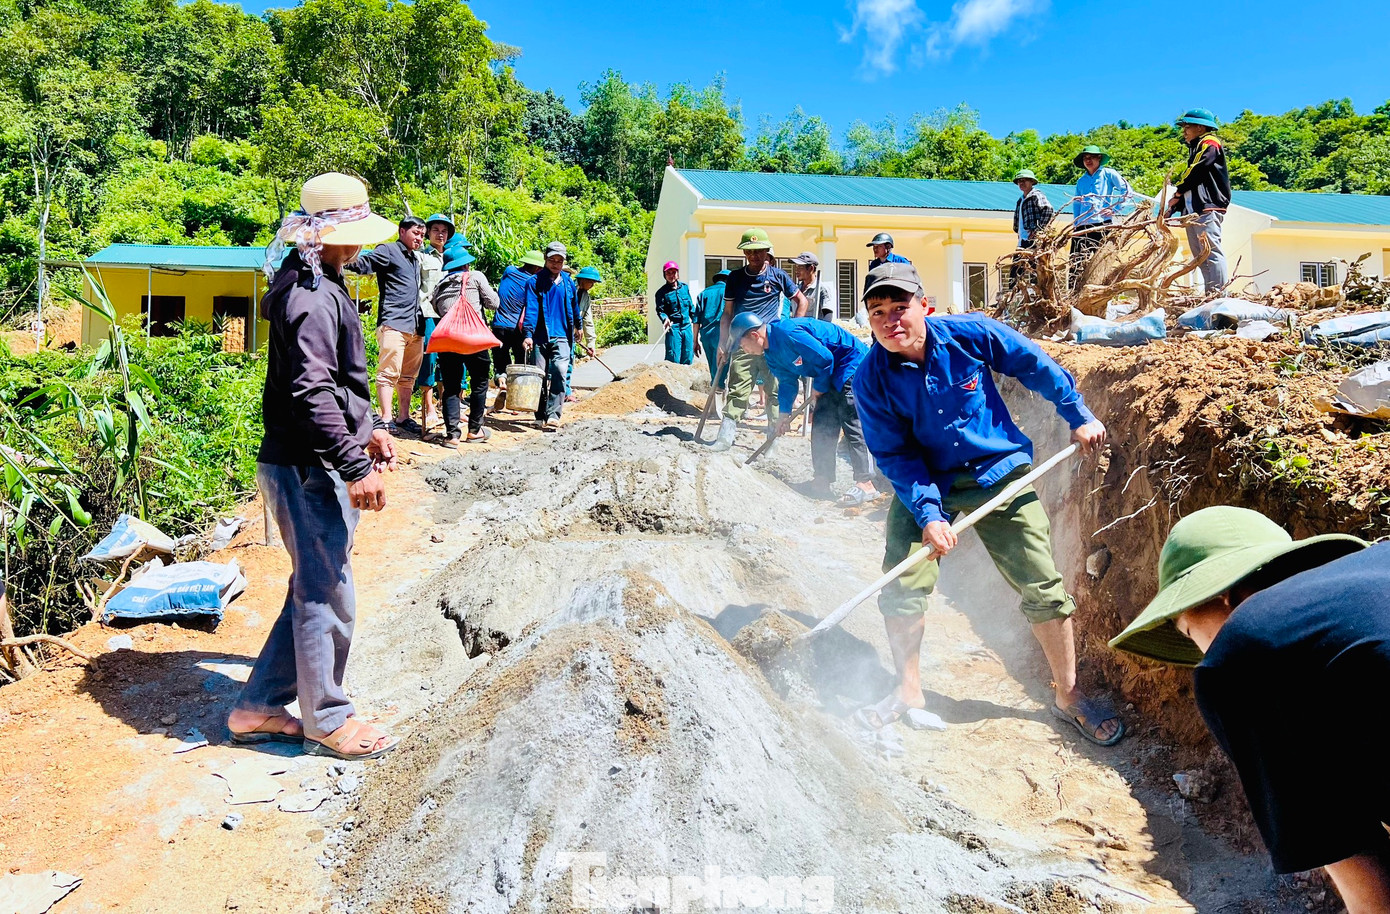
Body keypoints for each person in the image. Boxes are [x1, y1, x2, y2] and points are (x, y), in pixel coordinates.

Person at [852, 261, 1121, 745]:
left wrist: (1077, 414)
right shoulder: (870, 380)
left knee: (1042, 582)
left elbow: (1033, 364)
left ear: (924, 306)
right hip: (926, 481)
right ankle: (908, 688)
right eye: (877, 313)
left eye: (899, 307)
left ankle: (1069, 695)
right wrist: (929, 515)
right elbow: (895, 455)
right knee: (902, 582)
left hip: (997, 471)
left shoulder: (971, 333)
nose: (890, 320)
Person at [1109, 507, 1384, 910]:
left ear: (1228, 596)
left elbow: (1376, 897)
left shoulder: (1245, 654)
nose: (1202, 654)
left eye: (1189, 632)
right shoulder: (1378, 565)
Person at [229, 172, 400, 761]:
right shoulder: (311, 295)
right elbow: (311, 392)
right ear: (329, 236)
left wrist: (368, 428)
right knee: (328, 592)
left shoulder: (316, 280)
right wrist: (353, 465)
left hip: (307, 458)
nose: (362, 245)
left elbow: (335, 381)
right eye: (356, 233)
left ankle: (257, 707)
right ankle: (327, 720)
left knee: (314, 584)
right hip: (308, 467)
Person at [730, 313, 877, 505]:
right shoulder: (771, 355)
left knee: (851, 420)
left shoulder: (788, 333)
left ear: (754, 335)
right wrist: (784, 415)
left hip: (851, 364)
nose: (744, 350)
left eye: (742, 345)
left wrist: (819, 386)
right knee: (822, 423)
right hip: (829, 372)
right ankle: (821, 481)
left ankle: (866, 484)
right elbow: (787, 382)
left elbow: (826, 358)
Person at [707, 228, 809, 453]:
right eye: (749, 251)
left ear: (766, 251)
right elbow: (727, 313)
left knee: (775, 392)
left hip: (772, 343)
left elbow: (802, 301)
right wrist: (723, 343)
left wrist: (793, 330)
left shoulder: (778, 276)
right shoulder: (735, 278)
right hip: (743, 342)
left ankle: (773, 439)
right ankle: (725, 437)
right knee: (737, 389)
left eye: (758, 251)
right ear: (744, 253)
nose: (754, 256)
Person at [348, 215, 426, 435]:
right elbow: (364, 264)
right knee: (388, 373)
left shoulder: (414, 258)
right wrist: (343, 254)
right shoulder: (388, 250)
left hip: (415, 325)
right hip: (394, 323)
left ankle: (403, 417)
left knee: (408, 377)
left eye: (422, 235)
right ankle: (385, 418)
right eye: (415, 233)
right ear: (402, 231)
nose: (419, 238)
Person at [432, 241, 499, 447]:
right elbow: (494, 303)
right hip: (474, 339)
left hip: (448, 340)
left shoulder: (440, 285)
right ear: (466, 264)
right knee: (479, 383)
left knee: (451, 387)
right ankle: (474, 431)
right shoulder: (475, 277)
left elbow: (436, 308)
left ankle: (452, 435)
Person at [1168, 108, 1231, 293]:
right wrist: (1176, 205)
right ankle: (1209, 295)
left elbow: (1197, 171)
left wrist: (1178, 192)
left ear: (1200, 127)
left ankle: (1219, 295)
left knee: (1211, 252)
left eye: (1187, 127)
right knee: (1200, 256)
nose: (1184, 131)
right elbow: (1194, 184)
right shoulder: (1196, 147)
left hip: (1207, 207)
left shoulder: (1210, 143)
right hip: (1193, 211)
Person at [522, 241, 581, 430]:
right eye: (552, 260)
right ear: (545, 259)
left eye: (559, 261)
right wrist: (528, 334)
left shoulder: (568, 282)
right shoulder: (534, 282)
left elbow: (574, 307)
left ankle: (554, 415)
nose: (555, 264)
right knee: (538, 376)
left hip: (562, 335)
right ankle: (540, 415)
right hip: (540, 337)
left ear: (564, 262)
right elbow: (531, 309)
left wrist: (579, 326)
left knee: (560, 372)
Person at [1069, 146, 1138, 291]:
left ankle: (1101, 292)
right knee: (1076, 262)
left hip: (1102, 224)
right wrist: (1076, 223)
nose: (1088, 161)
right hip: (1082, 226)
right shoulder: (1081, 181)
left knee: (1101, 262)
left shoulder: (1108, 174)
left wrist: (1115, 208)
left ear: (1099, 158)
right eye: (1085, 158)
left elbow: (1127, 191)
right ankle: (1073, 294)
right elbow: (1077, 203)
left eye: (1091, 157)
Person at [416, 213, 455, 436]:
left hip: (449, 315)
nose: (440, 234)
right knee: (429, 357)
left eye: (444, 231)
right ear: (428, 233)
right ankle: (428, 407)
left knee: (449, 359)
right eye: (436, 230)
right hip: (428, 313)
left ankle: (446, 405)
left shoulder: (453, 257)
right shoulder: (421, 257)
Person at [491, 250, 544, 409]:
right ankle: (516, 399)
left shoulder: (509, 271)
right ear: (537, 268)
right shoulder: (533, 282)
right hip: (517, 329)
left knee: (500, 359)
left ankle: (502, 382)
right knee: (520, 361)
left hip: (499, 325)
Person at [1010, 170, 1054, 289]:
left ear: (1031, 182)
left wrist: (1038, 230)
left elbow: (1048, 210)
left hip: (1034, 241)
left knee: (1036, 269)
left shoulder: (1036, 195)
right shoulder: (1021, 200)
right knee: (1016, 270)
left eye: (1024, 180)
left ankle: (1040, 294)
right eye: (1019, 181)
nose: (1021, 183)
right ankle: (1011, 295)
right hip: (1023, 240)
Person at [565, 266, 603, 399]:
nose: (592, 285)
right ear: (582, 280)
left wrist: (591, 343)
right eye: (590, 282)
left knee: (569, 362)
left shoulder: (585, 297)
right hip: (559, 331)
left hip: (572, 335)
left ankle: (566, 391)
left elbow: (588, 320)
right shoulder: (568, 288)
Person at [653, 261, 695, 365]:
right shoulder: (661, 293)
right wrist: (665, 319)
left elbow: (691, 307)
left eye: (674, 272)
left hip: (686, 326)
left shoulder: (685, 288)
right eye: (668, 273)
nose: (671, 275)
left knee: (688, 356)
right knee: (673, 358)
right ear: (664, 275)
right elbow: (660, 311)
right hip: (673, 327)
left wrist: (698, 321)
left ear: (677, 273)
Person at [694, 270, 730, 384]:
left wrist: (695, 341)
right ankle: (718, 392)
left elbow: (696, 320)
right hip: (722, 335)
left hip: (706, 336)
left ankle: (715, 390)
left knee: (713, 367)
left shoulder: (703, 293)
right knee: (721, 369)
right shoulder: (729, 292)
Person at [792, 251, 835, 322]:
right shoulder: (796, 289)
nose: (797, 271)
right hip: (797, 327)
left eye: (800, 267)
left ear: (811, 268)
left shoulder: (822, 289)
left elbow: (828, 317)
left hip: (813, 328)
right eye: (796, 267)